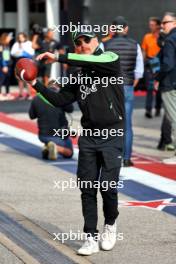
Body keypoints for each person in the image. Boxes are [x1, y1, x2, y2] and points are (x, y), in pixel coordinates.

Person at [17, 29, 125, 255]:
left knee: (107, 187)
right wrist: (35, 83)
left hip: (112, 134)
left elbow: (88, 58)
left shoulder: (110, 60)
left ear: (96, 41)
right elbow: (60, 100)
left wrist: (57, 56)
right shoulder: (77, 73)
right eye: (78, 42)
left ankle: (110, 224)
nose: (83, 44)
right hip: (88, 136)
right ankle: (90, 237)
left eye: (87, 40)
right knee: (87, 188)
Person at [105, 16, 144, 167]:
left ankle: (110, 156)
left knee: (109, 123)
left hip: (110, 87)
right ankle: (126, 158)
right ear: (126, 28)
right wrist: (130, 84)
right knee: (127, 124)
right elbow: (139, 71)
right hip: (127, 86)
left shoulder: (105, 44)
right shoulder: (135, 45)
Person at [29, 80, 73, 160]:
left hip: (43, 135)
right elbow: (70, 109)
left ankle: (48, 146)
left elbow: (32, 116)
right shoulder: (61, 96)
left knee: (49, 142)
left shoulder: (37, 98)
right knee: (69, 153)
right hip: (59, 135)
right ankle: (56, 147)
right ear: (58, 87)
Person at [154, 12, 176, 164]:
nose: (162, 26)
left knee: (174, 118)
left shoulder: (170, 40)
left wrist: (157, 78)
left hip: (170, 83)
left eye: (165, 22)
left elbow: (167, 64)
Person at [141, 17, 161, 118]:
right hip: (149, 62)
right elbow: (144, 51)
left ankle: (158, 107)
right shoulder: (147, 37)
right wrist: (142, 63)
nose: (150, 26)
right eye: (150, 24)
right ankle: (148, 110)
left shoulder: (162, 37)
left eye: (152, 25)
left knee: (158, 88)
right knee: (149, 87)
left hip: (158, 63)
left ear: (158, 26)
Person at [11, 32, 35, 99]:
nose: (20, 38)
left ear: (25, 37)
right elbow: (12, 53)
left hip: (27, 62)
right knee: (19, 78)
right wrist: (19, 50)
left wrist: (23, 49)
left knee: (28, 78)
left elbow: (32, 53)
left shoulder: (29, 43)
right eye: (19, 37)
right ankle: (21, 94)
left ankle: (28, 94)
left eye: (21, 37)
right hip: (19, 61)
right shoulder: (16, 44)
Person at [0, 33, 13, 100]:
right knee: (2, 80)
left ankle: (8, 93)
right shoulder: (1, 46)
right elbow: (2, 57)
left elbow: (7, 56)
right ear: (5, 38)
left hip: (8, 64)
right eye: (8, 37)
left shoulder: (7, 45)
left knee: (8, 80)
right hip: (3, 65)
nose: (10, 38)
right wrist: (4, 65)